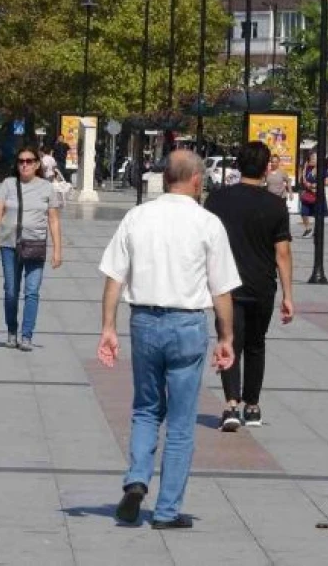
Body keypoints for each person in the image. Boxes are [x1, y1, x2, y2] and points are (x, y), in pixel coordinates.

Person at [97, 150, 240, 529]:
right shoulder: (208, 223)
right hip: (186, 325)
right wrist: (226, 337)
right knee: (180, 420)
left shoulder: (137, 217)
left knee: (146, 408)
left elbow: (114, 277)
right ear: (196, 180)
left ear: (164, 178)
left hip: (144, 320)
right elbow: (221, 289)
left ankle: (137, 479)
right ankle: (166, 510)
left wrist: (108, 328)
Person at [204, 142, 295, 432]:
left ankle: (230, 406)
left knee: (228, 342)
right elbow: (282, 253)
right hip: (262, 286)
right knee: (257, 345)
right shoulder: (276, 205)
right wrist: (288, 295)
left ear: (237, 165)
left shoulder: (217, 201)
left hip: (225, 287)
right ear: (268, 167)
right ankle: (252, 407)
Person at [0, 147, 63, 351]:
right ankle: (12, 331)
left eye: (29, 161)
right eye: (21, 161)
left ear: (37, 164)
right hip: (9, 245)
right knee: (11, 291)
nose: (25, 164)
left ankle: (27, 335)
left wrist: (57, 250)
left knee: (32, 292)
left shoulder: (47, 188)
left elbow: (53, 220)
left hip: (35, 245)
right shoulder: (9, 184)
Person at [298, 152, 328, 238]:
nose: (312, 160)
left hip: (318, 195)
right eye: (311, 158)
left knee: (318, 214)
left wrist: (315, 185)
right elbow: (302, 179)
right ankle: (308, 229)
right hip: (308, 194)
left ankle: (317, 230)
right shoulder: (307, 168)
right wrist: (304, 167)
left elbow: (327, 182)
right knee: (303, 212)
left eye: (314, 158)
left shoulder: (323, 169)